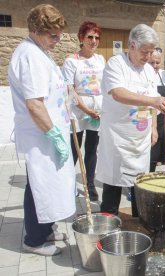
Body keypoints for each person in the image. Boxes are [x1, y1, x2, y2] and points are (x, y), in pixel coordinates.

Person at [8, 4, 75, 256]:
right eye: (53, 35)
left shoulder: (40, 50)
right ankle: (34, 240)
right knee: (40, 184)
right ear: (36, 30)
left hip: (49, 131)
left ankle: (46, 227)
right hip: (42, 134)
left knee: (51, 183)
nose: (58, 40)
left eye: (59, 34)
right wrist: (54, 134)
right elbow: (35, 104)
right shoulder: (30, 55)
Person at [96, 24, 165, 217]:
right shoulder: (116, 64)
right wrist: (152, 100)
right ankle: (108, 225)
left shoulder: (148, 71)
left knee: (140, 185)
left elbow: (153, 101)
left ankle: (140, 223)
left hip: (140, 141)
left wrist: (153, 127)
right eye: (145, 51)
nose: (148, 57)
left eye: (151, 52)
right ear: (133, 45)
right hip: (118, 139)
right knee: (113, 184)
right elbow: (118, 93)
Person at [61, 21, 105, 201]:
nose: (93, 41)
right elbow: (70, 91)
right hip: (78, 112)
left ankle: (90, 184)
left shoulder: (101, 59)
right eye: (90, 37)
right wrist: (87, 110)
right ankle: (67, 185)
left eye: (96, 37)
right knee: (74, 149)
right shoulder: (71, 61)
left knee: (92, 149)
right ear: (81, 38)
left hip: (97, 111)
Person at [148, 47, 165, 172]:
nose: (155, 65)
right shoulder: (142, 75)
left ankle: (151, 176)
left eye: (157, 62)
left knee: (156, 152)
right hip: (146, 119)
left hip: (162, 120)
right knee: (147, 152)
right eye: (151, 62)